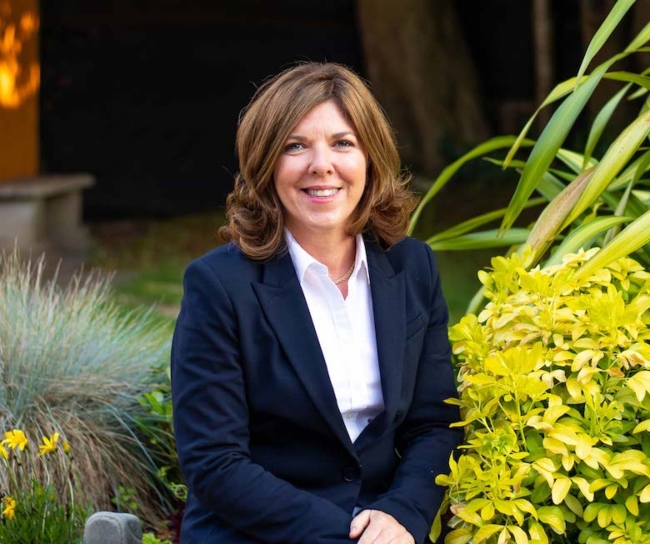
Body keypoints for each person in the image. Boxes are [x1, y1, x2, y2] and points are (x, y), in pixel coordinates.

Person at [170, 62, 462, 544]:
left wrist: (402, 515)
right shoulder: (218, 286)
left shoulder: (413, 268)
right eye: (295, 146)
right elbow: (215, 463)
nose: (321, 164)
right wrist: (350, 536)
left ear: (371, 158)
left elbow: (434, 423)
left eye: (342, 143)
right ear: (266, 164)